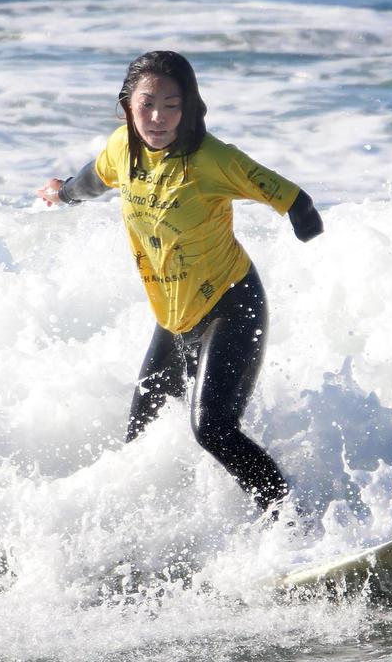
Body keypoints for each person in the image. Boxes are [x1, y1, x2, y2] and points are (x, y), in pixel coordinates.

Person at [37, 50, 323, 516]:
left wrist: (314, 240)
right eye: (147, 103)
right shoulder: (121, 150)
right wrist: (62, 192)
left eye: (172, 104)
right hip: (173, 318)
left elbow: (295, 200)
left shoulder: (213, 160)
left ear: (189, 108)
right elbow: (94, 178)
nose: (158, 117)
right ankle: (164, 541)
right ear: (128, 105)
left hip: (231, 305)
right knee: (140, 440)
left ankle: (295, 524)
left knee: (213, 429)